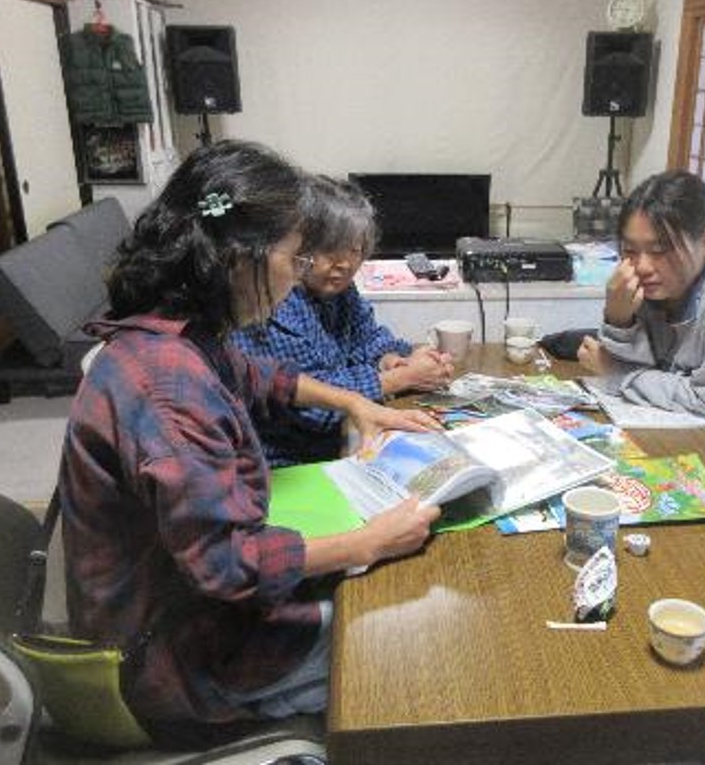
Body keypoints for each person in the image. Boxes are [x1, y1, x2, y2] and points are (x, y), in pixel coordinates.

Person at [57, 140, 443, 746]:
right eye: (295, 256)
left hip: (182, 615)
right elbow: (225, 565)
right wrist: (369, 541)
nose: (298, 275)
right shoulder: (170, 388)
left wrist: (354, 402)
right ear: (243, 258)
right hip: (178, 661)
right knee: (408, 640)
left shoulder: (171, 336)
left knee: (385, 600)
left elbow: (262, 377)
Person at [231, 175, 454, 466]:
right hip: (278, 464)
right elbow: (312, 405)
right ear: (297, 248)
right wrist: (402, 378)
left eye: (355, 250)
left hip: (333, 445)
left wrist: (393, 359)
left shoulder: (339, 289)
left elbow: (368, 337)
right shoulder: (273, 300)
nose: (345, 264)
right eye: (330, 250)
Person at [577, 169, 705, 417]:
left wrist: (617, 372)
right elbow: (641, 369)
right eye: (630, 250)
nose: (642, 266)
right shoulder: (643, 282)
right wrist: (618, 318)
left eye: (660, 250)